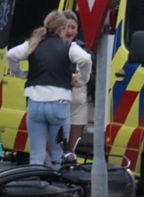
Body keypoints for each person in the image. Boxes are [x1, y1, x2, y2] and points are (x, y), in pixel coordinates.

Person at [6, 10, 92, 169]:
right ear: (61, 29)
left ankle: (36, 185)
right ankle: (55, 187)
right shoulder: (68, 46)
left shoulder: (33, 43)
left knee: (37, 154)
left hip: (34, 103)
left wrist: (21, 73)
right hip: (58, 103)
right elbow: (85, 59)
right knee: (57, 154)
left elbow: (11, 55)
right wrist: (82, 79)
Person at [60, 10, 90, 154]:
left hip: (79, 102)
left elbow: (92, 72)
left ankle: (68, 167)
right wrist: (67, 77)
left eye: (73, 27)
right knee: (57, 143)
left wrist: (85, 79)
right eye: (66, 27)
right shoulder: (54, 47)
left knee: (72, 147)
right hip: (60, 100)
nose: (69, 31)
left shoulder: (84, 49)